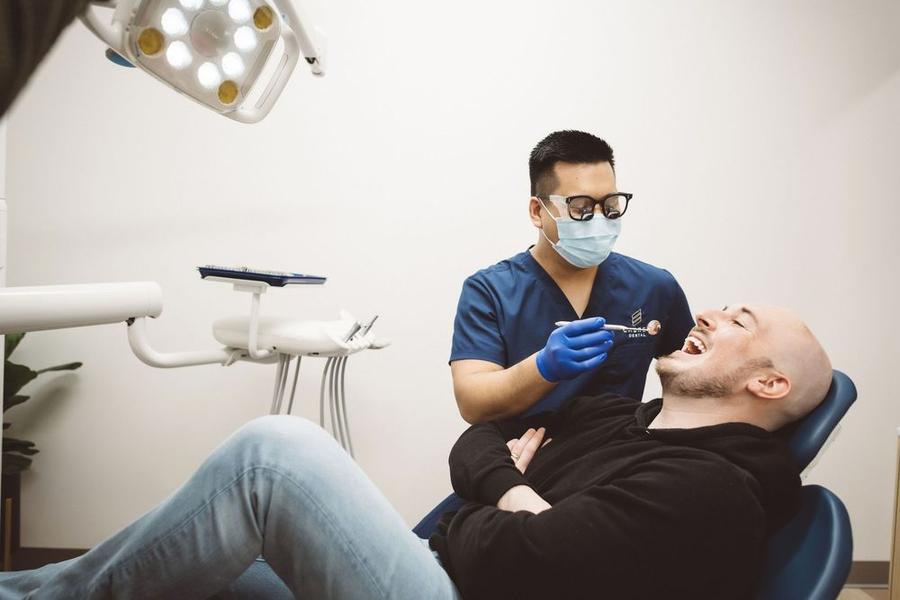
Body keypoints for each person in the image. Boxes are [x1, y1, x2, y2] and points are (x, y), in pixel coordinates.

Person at [0, 304, 832, 600]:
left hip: (464, 589)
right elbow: (476, 443)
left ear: (764, 387)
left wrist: (496, 504)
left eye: (741, 323)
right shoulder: (622, 419)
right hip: (452, 570)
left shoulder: (710, 490)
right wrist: (513, 493)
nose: (715, 315)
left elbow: (522, 561)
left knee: (275, 456)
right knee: (204, 562)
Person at [451, 130, 694, 425]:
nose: (599, 218)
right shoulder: (490, 291)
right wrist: (542, 368)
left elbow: (694, 382)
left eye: (610, 206)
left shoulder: (653, 287)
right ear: (537, 211)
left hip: (621, 459)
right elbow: (473, 403)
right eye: (580, 208)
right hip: (524, 459)